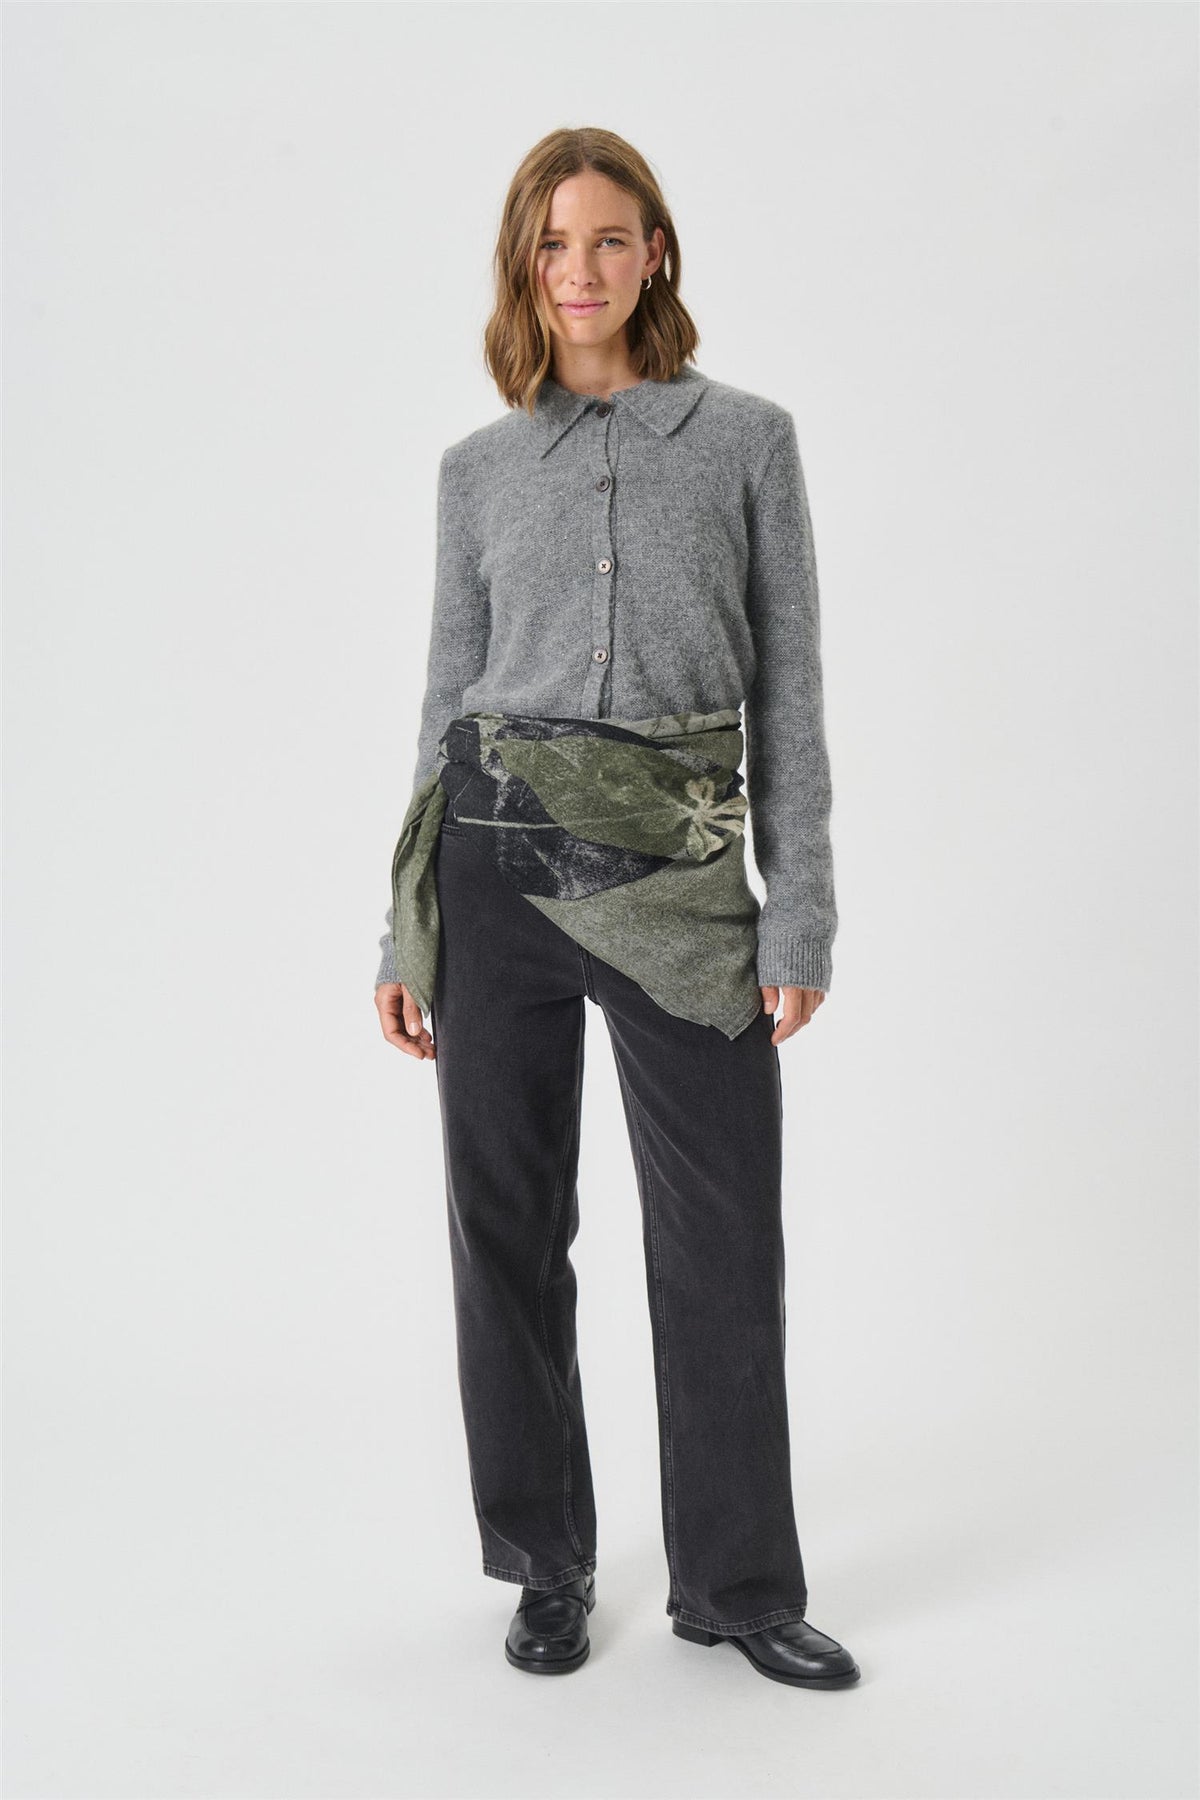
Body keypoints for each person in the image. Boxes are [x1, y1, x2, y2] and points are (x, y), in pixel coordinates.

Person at [373, 126, 860, 1691]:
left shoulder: (747, 442)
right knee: (506, 1230)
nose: (578, 270)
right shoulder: (476, 471)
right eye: (551, 243)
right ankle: (546, 1563)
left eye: (606, 238)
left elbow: (791, 694)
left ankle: (736, 1584)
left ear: (655, 254)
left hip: (684, 886)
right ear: (525, 268)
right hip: (493, 873)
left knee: (723, 1238)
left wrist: (798, 912)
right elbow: (446, 699)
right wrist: (406, 927)